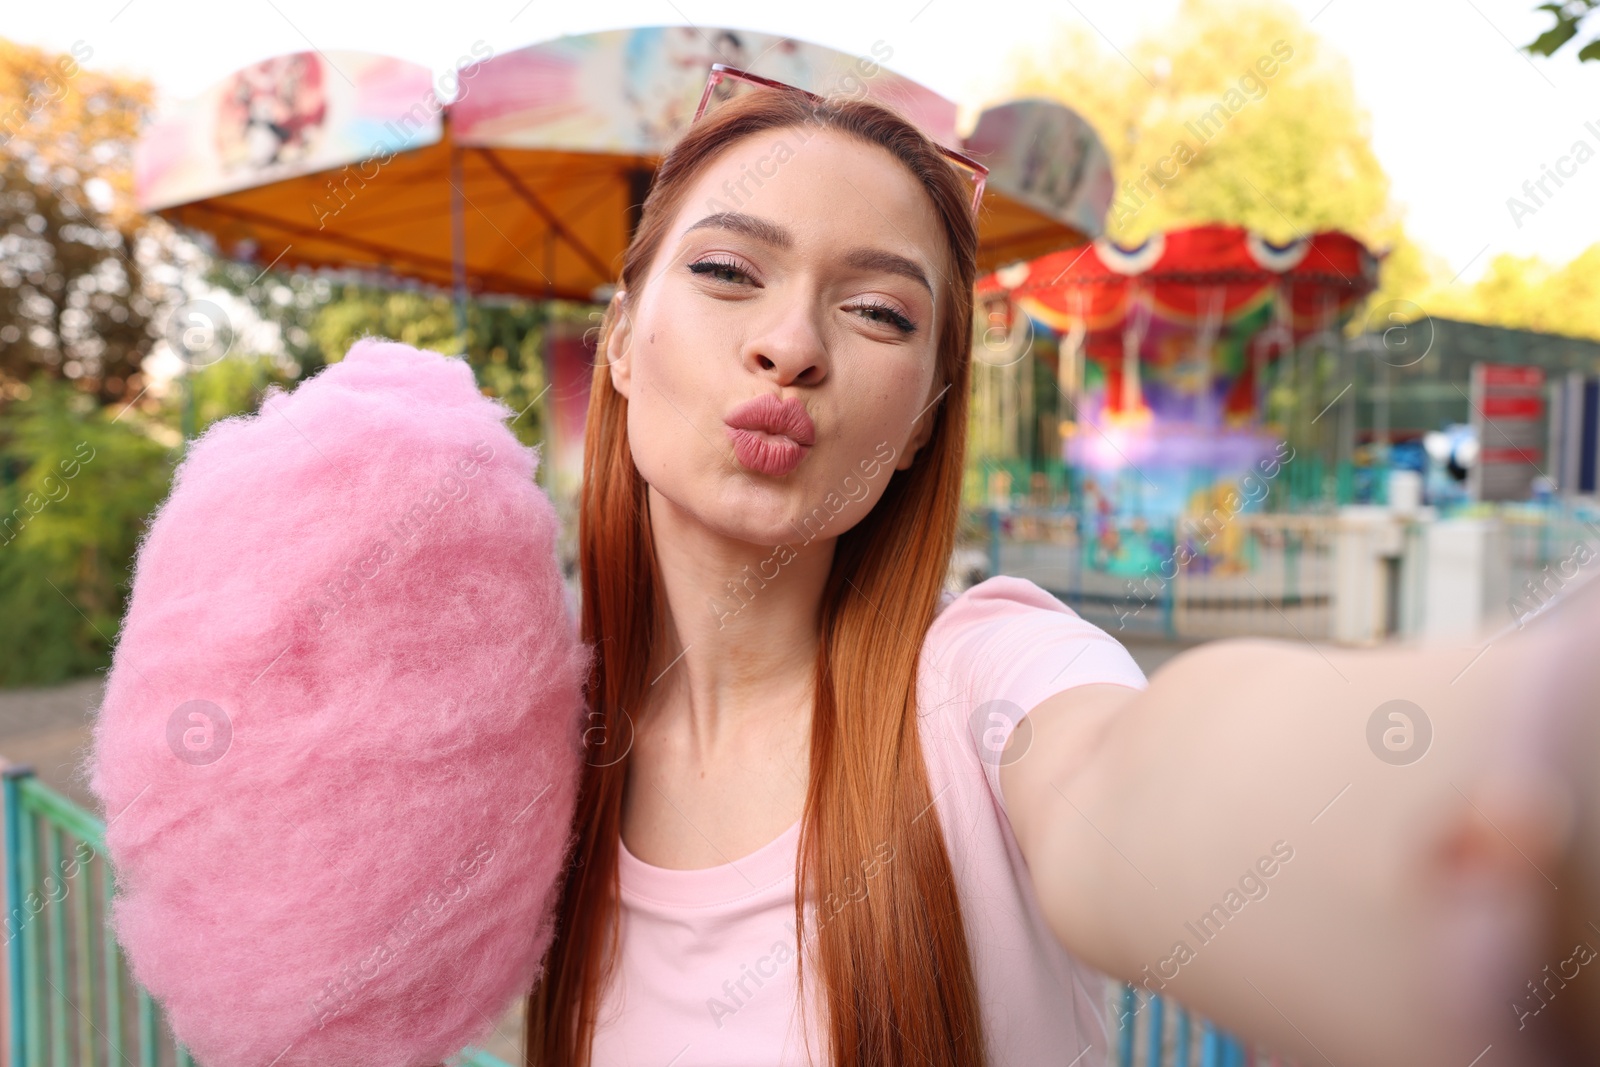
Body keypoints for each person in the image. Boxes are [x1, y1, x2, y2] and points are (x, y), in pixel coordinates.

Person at [521, 76, 1600, 1067]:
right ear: (618, 342)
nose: (792, 342)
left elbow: (1129, 775)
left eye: (879, 311)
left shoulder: (984, 687)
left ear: (918, 427)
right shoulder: (520, 747)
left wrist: (1534, 745)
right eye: (726, 271)